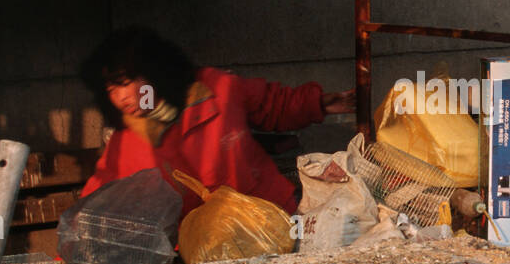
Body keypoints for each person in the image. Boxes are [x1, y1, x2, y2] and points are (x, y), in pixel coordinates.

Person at [78, 26, 355, 216]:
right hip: (204, 246)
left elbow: (273, 105)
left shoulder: (216, 87)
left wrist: (319, 103)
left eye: (126, 84)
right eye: (112, 90)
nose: (121, 98)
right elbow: (97, 197)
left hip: (272, 215)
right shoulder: (127, 142)